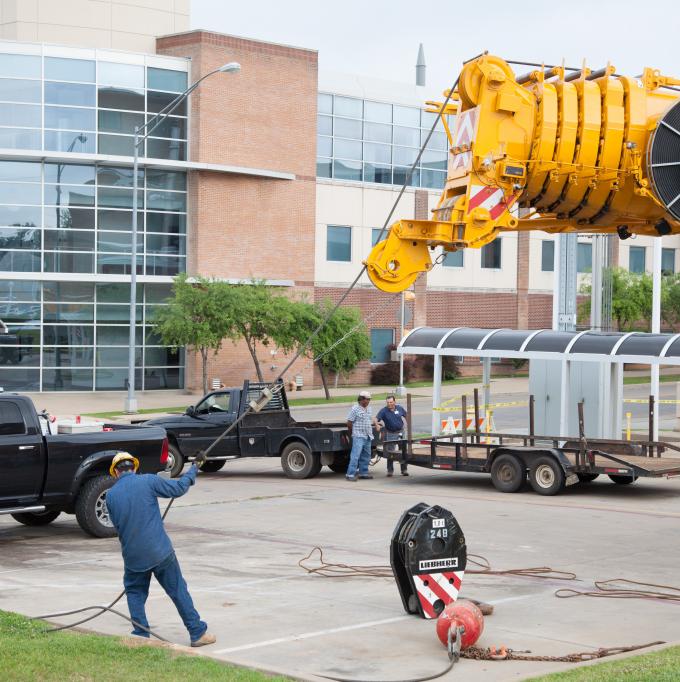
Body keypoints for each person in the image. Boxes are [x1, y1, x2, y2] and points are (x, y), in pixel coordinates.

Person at [105, 451, 215, 647]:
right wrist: (194, 467)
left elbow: (118, 527)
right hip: (160, 551)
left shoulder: (111, 496)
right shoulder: (148, 480)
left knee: (135, 592)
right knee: (178, 590)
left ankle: (140, 634)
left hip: (133, 556)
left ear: (115, 473)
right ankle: (197, 633)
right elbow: (180, 488)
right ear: (134, 467)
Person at [346, 390, 378, 481]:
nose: (368, 401)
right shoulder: (355, 409)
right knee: (355, 456)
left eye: (369, 399)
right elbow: (349, 422)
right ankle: (350, 474)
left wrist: (376, 424)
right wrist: (353, 432)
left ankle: (363, 473)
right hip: (358, 436)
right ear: (361, 399)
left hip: (368, 435)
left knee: (366, 456)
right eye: (367, 399)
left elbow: (369, 419)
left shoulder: (369, 408)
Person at [377, 395, 409, 477]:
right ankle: (390, 470)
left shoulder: (399, 408)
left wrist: (408, 424)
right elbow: (376, 419)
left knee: (403, 451)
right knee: (390, 452)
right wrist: (377, 424)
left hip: (401, 432)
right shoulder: (384, 411)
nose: (389, 404)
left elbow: (406, 415)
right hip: (391, 433)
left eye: (391, 402)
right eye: (388, 402)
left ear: (394, 402)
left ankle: (404, 470)